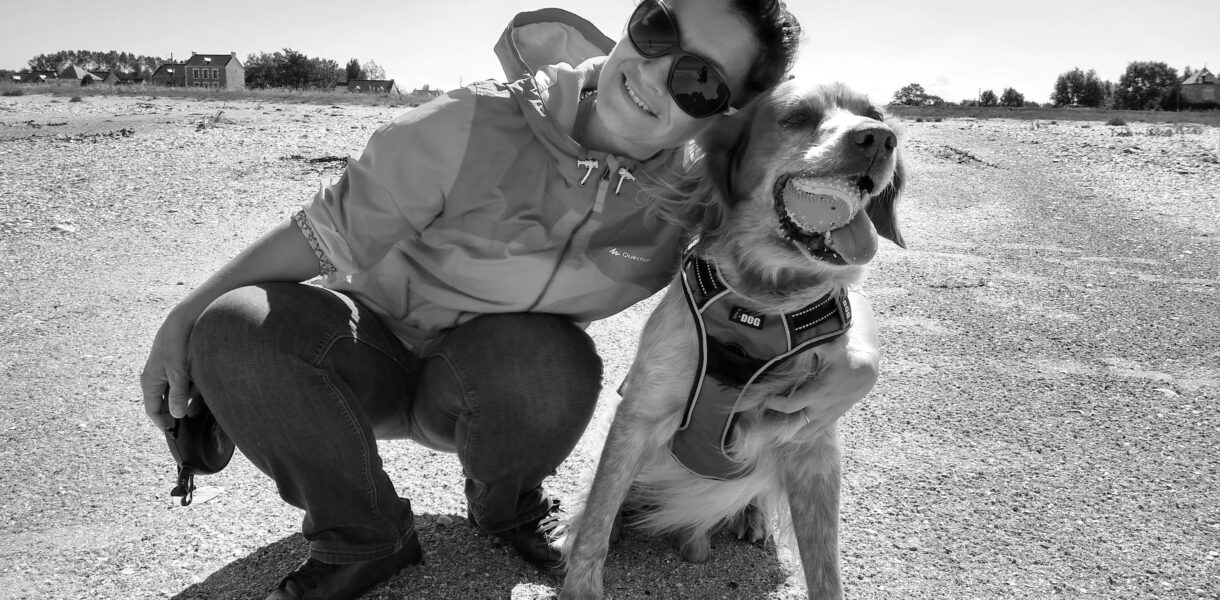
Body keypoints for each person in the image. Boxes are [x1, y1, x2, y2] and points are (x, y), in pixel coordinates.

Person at [141, 1, 877, 599]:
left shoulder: (693, 187)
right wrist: (183, 317)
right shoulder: (465, 123)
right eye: (657, 28)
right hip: (366, 355)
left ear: (724, 115)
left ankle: (506, 507)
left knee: (555, 361)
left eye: (700, 81)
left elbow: (776, 265)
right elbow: (321, 232)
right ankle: (364, 537)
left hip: (494, 383)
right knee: (233, 323)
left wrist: (856, 357)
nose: (654, 72)